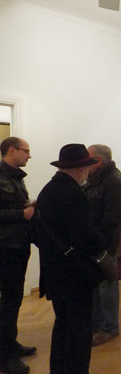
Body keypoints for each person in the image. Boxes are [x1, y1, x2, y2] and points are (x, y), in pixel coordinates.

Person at [36, 143, 103, 374]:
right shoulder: (72, 194)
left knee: (62, 327)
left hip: (54, 272)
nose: (87, 173)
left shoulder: (47, 191)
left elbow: (36, 232)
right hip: (75, 275)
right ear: (79, 169)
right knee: (79, 333)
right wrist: (101, 240)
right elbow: (84, 238)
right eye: (86, 168)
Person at [83, 144, 121, 347]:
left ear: (98, 161)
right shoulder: (98, 178)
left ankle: (109, 328)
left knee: (107, 284)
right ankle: (97, 325)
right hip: (95, 241)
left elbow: (112, 217)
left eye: (87, 158)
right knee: (97, 284)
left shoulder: (113, 180)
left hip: (104, 243)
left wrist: (96, 239)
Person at [0, 137, 36, 374]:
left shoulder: (16, 177)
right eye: (26, 151)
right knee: (9, 300)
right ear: (11, 150)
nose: (29, 155)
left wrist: (26, 205)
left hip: (18, 244)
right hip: (5, 247)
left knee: (13, 299)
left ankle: (9, 343)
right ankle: (5, 357)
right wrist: (21, 214)